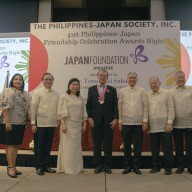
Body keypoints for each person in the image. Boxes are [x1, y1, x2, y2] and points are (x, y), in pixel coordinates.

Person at [87, 70, 118, 174]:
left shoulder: (112, 90)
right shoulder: (91, 89)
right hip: (95, 121)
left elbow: (115, 106)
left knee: (108, 145)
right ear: (97, 77)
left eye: (104, 76)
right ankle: (98, 165)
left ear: (107, 77)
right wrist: (89, 117)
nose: (102, 77)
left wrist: (115, 119)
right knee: (97, 144)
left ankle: (107, 165)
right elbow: (88, 105)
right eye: (100, 75)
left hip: (109, 122)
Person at [0, 73, 31, 178]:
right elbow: (4, 107)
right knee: (10, 145)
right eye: (16, 79)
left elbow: (27, 109)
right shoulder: (8, 91)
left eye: (20, 79)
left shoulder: (26, 94)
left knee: (16, 145)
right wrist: (7, 121)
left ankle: (13, 165)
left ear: (23, 82)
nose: (18, 81)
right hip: (10, 122)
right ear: (12, 81)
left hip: (21, 123)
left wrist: (27, 120)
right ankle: (10, 167)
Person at [118, 72, 148, 175]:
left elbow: (145, 107)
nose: (132, 79)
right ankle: (127, 167)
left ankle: (136, 167)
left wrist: (145, 121)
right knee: (126, 146)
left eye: (134, 78)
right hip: (126, 123)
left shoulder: (142, 91)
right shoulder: (122, 91)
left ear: (137, 79)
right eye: (130, 78)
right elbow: (120, 107)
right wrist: (120, 122)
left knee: (138, 146)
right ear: (127, 79)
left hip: (138, 123)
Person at [31, 72, 59, 176]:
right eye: (46, 79)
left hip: (52, 124)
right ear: (42, 81)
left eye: (50, 79)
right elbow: (33, 109)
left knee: (48, 146)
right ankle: (39, 166)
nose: (48, 81)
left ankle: (46, 166)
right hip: (40, 124)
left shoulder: (56, 93)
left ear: (53, 81)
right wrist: (33, 123)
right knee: (39, 146)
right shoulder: (37, 92)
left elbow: (58, 109)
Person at [57, 78, 87, 175]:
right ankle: (67, 168)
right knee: (67, 148)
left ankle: (77, 168)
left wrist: (84, 123)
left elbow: (84, 111)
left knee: (76, 148)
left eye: (77, 85)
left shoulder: (80, 98)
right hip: (67, 125)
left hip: (77, 125)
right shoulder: (64, 97)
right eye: (73, 84)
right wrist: (63, 123)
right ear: (69, 86)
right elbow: (61, 111)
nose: (75, 86)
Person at [147, 76, 175, 175]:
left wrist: (169, 123)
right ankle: (156, 167)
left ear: (160, 83)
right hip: (153, 127)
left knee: (167, 148)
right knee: (154, 149)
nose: (153, 85)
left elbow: (171, 109)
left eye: (155, 83)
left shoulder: (167, 93)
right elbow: (146, 110)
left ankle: (168, 168)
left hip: (165, 126)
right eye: (151, 83)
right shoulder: (147, 94)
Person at [170, 71, 192, 174]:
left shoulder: (191, 89)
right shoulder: (171, 92)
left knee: (190, 147)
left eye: (182, 77)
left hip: (190, 124)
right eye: (178, 78)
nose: (180, 79)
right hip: (177, 124)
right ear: (175, 79)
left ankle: (190, 167)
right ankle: (180, 166)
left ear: (185, 78)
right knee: (178, 147)